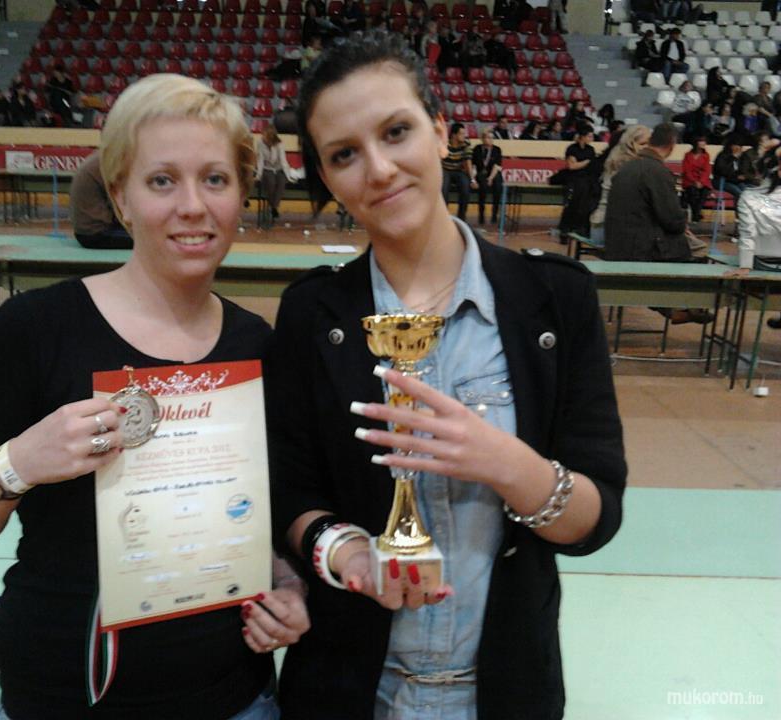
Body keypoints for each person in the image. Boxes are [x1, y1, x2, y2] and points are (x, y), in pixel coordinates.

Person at [0, 74, 310, 719]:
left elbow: (258, 514)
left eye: (215, 179)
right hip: (63, 696)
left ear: (241, 194)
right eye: (162, 181)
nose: (193, 205)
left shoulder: (258, 346)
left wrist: (286, 585)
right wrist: (19, 463)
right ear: (122, 196)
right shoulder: (33, 330)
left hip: (233, 695)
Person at [266, 30, 626, 720]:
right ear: (327, 177)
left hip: (504, 693)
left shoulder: (556, 300)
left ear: (440, 131)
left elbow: (596, 519)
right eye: (344, 154)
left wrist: (508, 464)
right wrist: (345, 550)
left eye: (396, 131)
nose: (378, 169)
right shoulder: (312, 313)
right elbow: (289, 493)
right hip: (348, 691)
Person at [605, 123, 711, 321]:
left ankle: (671, 308)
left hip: (617, 243)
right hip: (640, 249)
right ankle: (690, 305)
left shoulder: (628, 166)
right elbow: (672, 221)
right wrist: (683, 223)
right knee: (699, 251)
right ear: (672, 144)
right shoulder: (657, 171)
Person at [590, 124, 651, 242]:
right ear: (631, 143)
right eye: (643, 144)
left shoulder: (615, 156)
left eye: (649, 143)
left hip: (600, 224)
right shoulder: (629, 165)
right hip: (610, 228)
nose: (647, 147)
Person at [69, 150, 133, 249]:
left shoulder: (103, 158)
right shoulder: (110, 164)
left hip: (87, 230)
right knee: (150, 239)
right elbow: (121, 207)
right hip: (97, 233)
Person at [559, 124, 598, 240]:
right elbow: (572, 166)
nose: (592, 139)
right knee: (571, 205)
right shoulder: (572, 149)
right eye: (589, 136)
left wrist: (581, 163)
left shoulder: (591, 150)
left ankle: (580, 229)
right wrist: (586, 162)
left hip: (587, 180)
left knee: (585, 205)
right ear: (582, 136)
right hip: (574, 180)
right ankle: (565, 230)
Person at [256, 123, 300, 221]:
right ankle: (274, 207)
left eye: (264, 135)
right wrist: (259, 175)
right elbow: (260, 160)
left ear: (270, 137)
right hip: (267, 168)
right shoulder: (260, 143)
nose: (262, 136)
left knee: (281, 182)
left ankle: (273, 207)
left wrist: (288, 176)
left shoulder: (279, 144)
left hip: (279, 168)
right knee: (271, 182)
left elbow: (283, 161)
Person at [441, 122, 473, 221]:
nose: (464, 136)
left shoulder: (466, 144)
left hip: (459, 171)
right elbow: (437, 160)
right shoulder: (444, 143)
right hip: (445, 169)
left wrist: (472, 179)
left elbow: (468, 162)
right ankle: (444, 217)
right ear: (454, 135)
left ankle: (461, 217)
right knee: (443, 188)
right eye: (461, 134)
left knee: (465, 187)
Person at [471, 127, 504, 224]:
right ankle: (481, 214)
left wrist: (490, 178)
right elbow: (474, 166)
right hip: (481, 172)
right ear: (482, 138)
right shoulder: (477, 149)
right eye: (487, 137)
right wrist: (473, 179)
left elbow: (497, 166)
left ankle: (494, 214)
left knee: (498, 184)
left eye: (491, 138)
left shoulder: (497, 149)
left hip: (493, 173)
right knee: (483, 186)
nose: (489, 140)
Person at [680, 137, 713, 222]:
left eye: (704, 141)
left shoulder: (706, 155)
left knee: (704, 192)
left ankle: (696, 213)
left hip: (702, 180)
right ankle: (697, 214)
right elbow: (686, 170)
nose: (703, 143)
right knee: (692, 191)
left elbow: (707, 170)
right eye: (701, 141)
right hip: (690, 180)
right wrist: (694, 181)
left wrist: (701, 181)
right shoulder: (688, 155)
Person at [46, 62, 77, 127]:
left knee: (65, 107)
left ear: (61, 73)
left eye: (56, 73)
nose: (55, 74)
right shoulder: (53, 80)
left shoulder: (68, 82)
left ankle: (67, 123)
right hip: (54, 102)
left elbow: (72, 92)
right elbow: (48, 90)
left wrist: (68, 92)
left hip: (65, 103)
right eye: (54, 73)